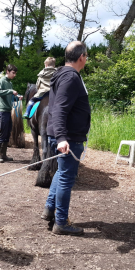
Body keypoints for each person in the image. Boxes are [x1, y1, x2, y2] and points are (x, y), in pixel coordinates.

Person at [41, 41, 91, 236]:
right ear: (82, 57)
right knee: (66, 178)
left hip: (64, 135)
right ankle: (61, 221)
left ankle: (49, 209)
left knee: (61, 173)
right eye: (86, 56)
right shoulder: (70, 77)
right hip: (68, 138)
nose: (86, 59)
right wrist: (62, 137)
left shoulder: (62, 74)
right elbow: (60, 109)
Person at [0, 64, 22, 163]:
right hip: (2, 110)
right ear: (7, 72)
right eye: (13, 73)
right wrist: (10, 91)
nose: (15, 75)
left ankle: (3, 154)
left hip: (8, 110)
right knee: (2, 132)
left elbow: (9, 96)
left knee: (7, 132)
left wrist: (17, 97)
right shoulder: (1, 81)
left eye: (15, 73)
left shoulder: (10, 83)